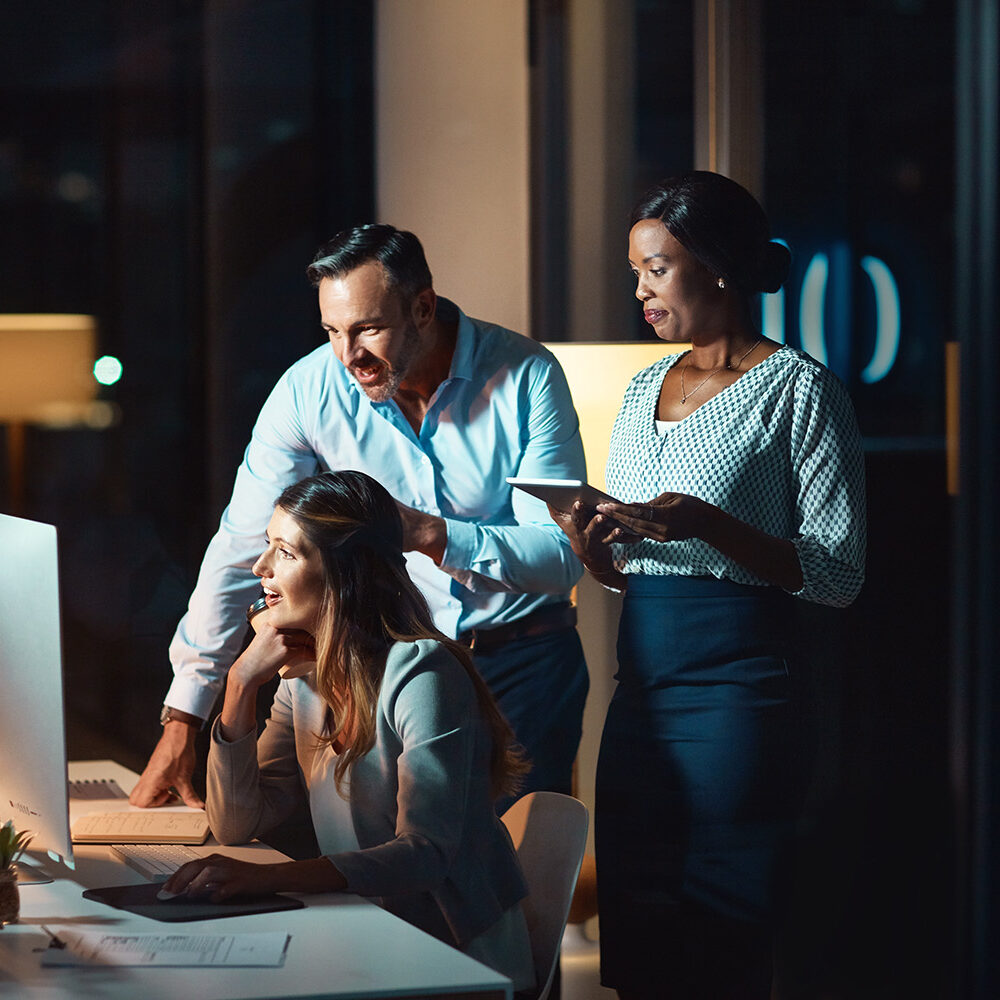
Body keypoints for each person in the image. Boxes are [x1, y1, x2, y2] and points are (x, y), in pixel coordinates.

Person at [131, 224, 589, 815]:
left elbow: (558, 559)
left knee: (505, 877)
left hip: (524, 670)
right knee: (394, 874)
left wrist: (427, 532)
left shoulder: (528, 376)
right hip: (392, 669)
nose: (348, 356)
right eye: (332, 331)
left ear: (422, 308)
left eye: (368, 329)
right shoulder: (308, 390)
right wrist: (185, 714)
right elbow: (240, 547)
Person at [550, 171, 866, 999]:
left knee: (720, 938)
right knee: (640, 924)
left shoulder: (801, 391)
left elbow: (836, 574)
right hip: (643, 693)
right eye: (635, 273)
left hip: (742, 698)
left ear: (719, 266)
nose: (642, 291)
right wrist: (595, 550)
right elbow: (637, 565)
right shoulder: (640, 387)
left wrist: (710, 524)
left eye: (657, 269)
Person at [160, 471, 535, 991]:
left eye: (286, 553)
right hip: (368, 935)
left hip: (455, 960)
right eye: (268, 546)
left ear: (344, 572)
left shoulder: (423, 673)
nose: (260, 567)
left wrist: (270, 878)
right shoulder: (304, 678)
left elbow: (425, 855)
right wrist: (240, 686)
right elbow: (235, 823)